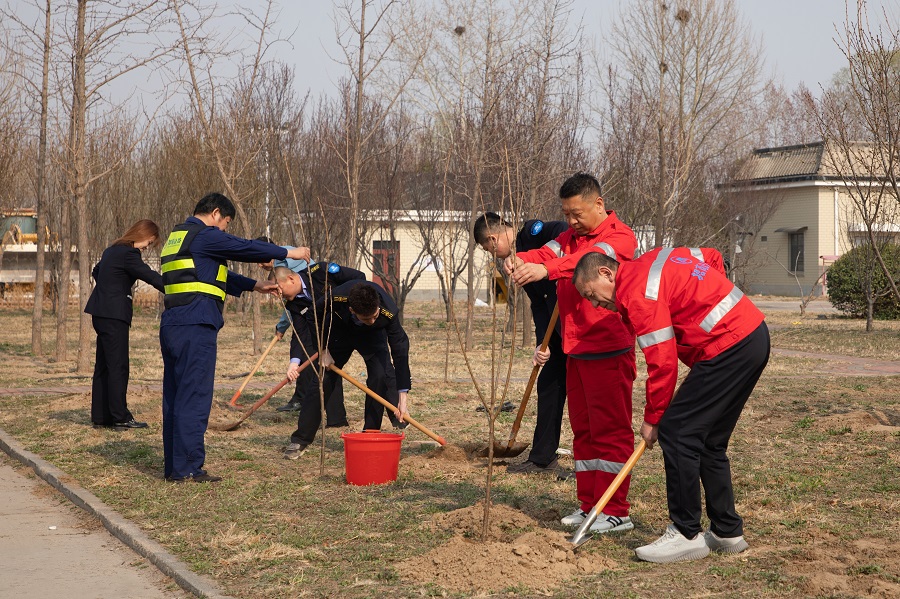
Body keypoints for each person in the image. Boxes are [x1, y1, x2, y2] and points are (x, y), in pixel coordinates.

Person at [572, 247, 769, 563]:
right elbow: (708, 256)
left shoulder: (636, 293)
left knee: (677, 432)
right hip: (752, 335)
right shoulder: (651, 260)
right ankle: (726, 531)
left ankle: (686, 533)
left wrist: (653, 418)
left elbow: (662, 362)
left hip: (728, 345)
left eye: (591, 294)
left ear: (606, 273)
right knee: (709, 441)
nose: (596, 305)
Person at [504, 172, 638, 534]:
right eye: (566, 214)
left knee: (611, 430)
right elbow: (546, 251)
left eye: (577, 213)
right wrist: (519, 260)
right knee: (584, 431)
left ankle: (616, 510)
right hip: (575, 348)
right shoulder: (568, 237)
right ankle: (589, 504)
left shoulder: (620, 238)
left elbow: (584, 264)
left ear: (598, 204)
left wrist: (544, 268)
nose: (571, 221)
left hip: (608, 346)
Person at [159, 193, 310, 483]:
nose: (224, 230)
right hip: (196, 323)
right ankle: (190, 467)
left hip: (174, 324)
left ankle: (175, 466)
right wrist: (289, 253)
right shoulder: (204, 235)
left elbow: (214, 274)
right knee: (195, 396)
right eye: (226, 223)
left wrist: (256, 285)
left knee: (176, 396)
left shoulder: (177, 238)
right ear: (216, 214)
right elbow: (243, 247)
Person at [473, 212, 568, 475]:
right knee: (548, 385)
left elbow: (564, 233)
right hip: (555, 332)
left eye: (488, 249)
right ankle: (542, 458)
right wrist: (542, 344)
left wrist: (535, 261)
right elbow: (538, 303)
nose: (493, 255)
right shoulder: (509, 266)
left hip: (579, 326)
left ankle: (594, 462)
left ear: (493, 239)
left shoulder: (536, 233)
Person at [274, 279, 409, 459]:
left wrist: (402, 396)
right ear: (353, 310)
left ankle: (369, 433)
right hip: (339, 332)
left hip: (373, 337)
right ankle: (300, 439)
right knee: (323, 380)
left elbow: (400, 351)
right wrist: (322, 350)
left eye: (375, 316)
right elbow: (313, 314)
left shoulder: (388, 311)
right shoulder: (335, 298)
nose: (371, 320)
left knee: (380, 376)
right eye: (366, 318)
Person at [255, 237, 364, 417]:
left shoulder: (312, 269)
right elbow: (298, 324)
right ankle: (333, 417)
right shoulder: (291, 300)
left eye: (279, 290)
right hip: (321, 324)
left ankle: (394, 413)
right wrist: (293, 364)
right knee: (325, 364)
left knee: (374, 367)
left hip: (346, 320)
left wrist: (353, 312)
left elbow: (357, 279)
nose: (277, 295)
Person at [84, 219, 165, 430]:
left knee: (103, 366)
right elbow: (150, 276)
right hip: (114, 314)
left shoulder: (111, 250)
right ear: (141, 234)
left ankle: (101, 417)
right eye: (149, 241)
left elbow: (96, 270)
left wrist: (108, 287)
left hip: (99, 312)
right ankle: (120, 417)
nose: (148, 247)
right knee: (118, 366)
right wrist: (175, 289)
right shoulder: (129, 254)